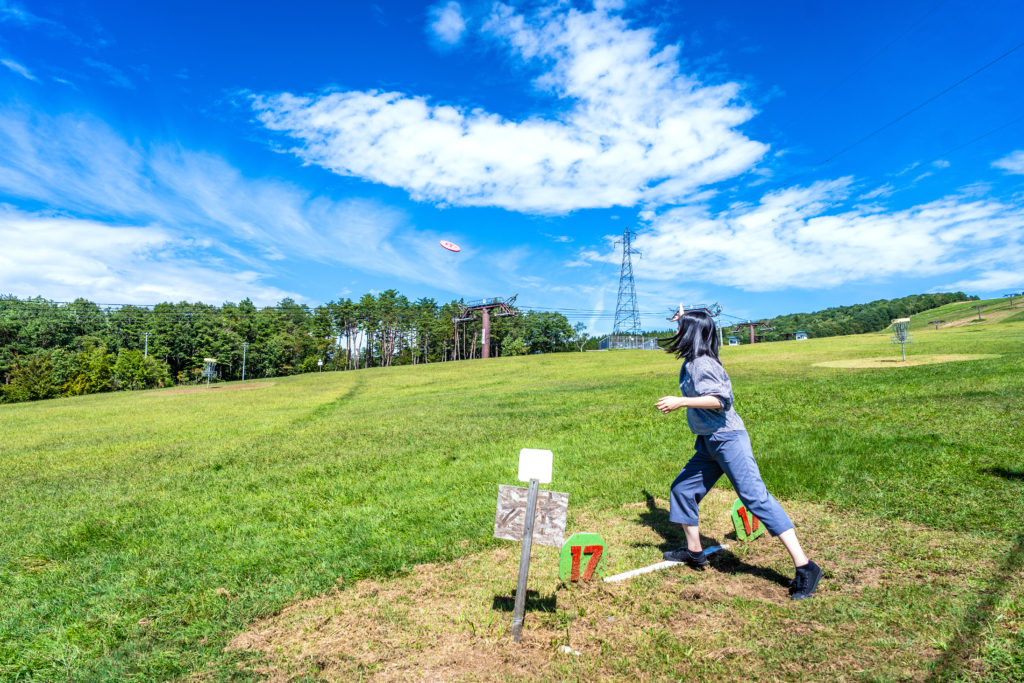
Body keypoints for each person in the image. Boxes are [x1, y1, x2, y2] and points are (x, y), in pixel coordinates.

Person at [654, 309, 822, 600]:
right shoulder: (695, 360)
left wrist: (681, 401)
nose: (678, 332)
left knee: (755, 498)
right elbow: (701, 319)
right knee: (683, 489)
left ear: (692, 333)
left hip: (729, 441)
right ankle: (695, 553)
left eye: (683, 327)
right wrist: (685, 316)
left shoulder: (702, 363)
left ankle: (806, 567)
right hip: (708, 442)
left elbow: (719, 400)